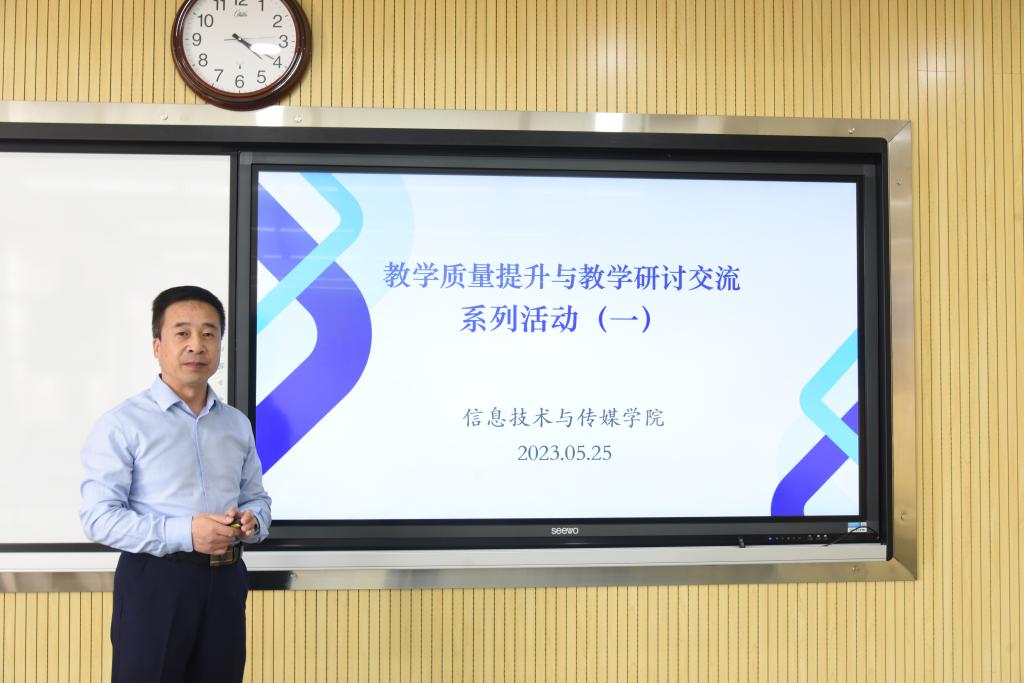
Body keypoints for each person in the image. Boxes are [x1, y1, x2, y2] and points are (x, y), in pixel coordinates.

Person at [80, 285, 271, 683]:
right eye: (182, 333)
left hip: (226, 582)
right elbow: (99, 519)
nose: (196, 345)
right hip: (156, 582)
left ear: (220, 344)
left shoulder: (236, 424)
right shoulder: (123, 423)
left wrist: (252, 521)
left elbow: (256, 496)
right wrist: (187, 532)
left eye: (209, 333)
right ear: (157, 346)